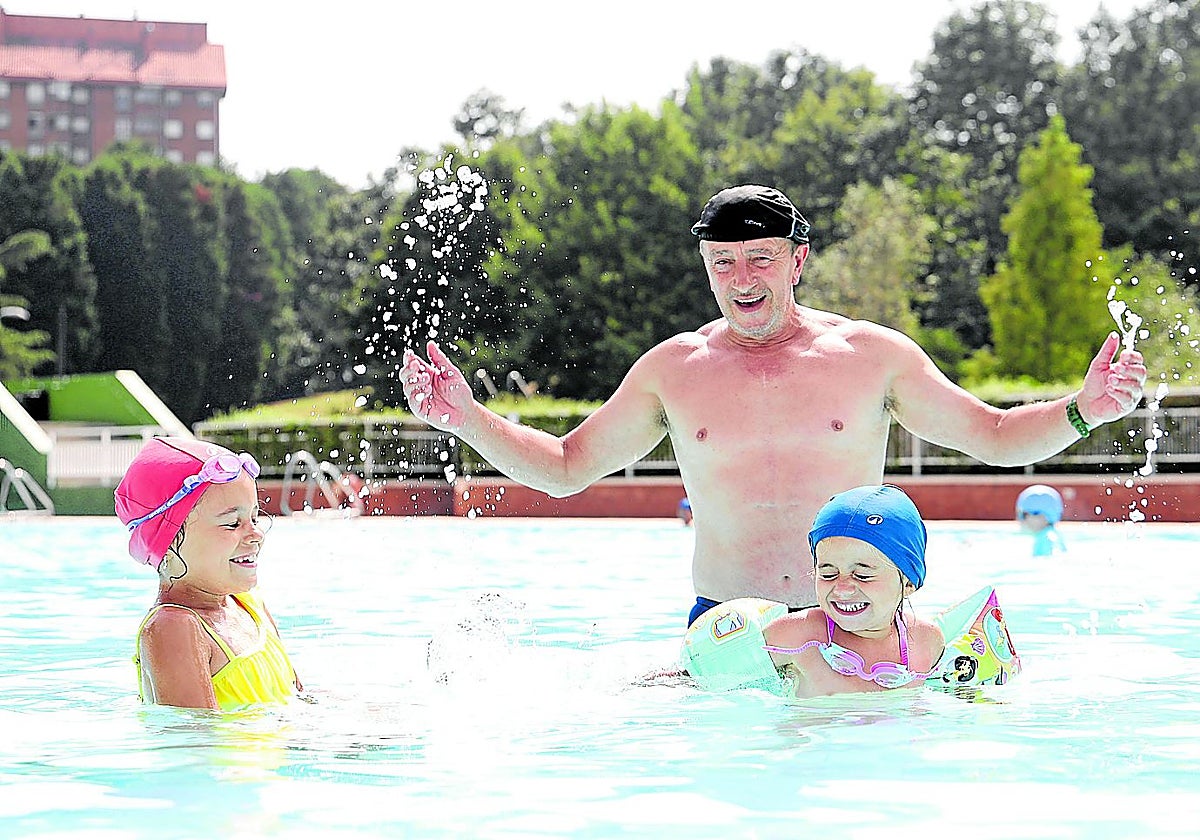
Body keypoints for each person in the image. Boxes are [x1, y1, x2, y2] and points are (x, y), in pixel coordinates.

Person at [401, 184, 1146, 622]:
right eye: (723, 263)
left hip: (857, 625)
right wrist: (466, 417)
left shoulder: (869, 356)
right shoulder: (674, 368)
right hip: (725, 628)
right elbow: (566, 468)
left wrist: (1085, 410)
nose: (742, 277)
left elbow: (993, 435)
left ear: (798, 260)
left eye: (760, 258)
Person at [115, 437, 301, 711]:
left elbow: (298, 698)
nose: (256, 534)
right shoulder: (173, 627)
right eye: (232, 523)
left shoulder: (249, 604)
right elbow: (195, 743)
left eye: (255, 518)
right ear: (166, 543)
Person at [759, 485, 943, 698]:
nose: (843, 588)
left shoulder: (926, 642)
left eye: (862, 575)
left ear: (909, 583)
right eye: (828, 574)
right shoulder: (796, 636)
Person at [1016, 484, 1066, 556]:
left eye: (1024, 515)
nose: (1020, 520)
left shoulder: (1045, 539)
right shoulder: (1052, 536)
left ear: (1042, 516)